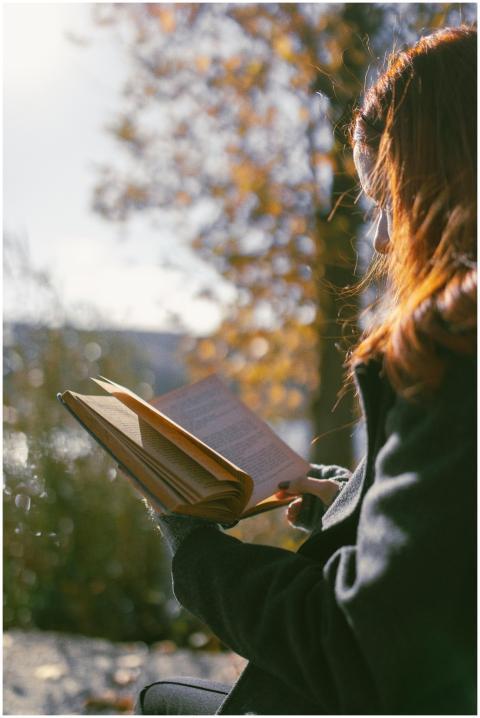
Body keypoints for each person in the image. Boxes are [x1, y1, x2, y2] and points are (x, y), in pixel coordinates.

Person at [136, 25, 476, 715]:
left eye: (388, 199)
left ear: (440, 179)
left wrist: (194, 551)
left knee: (160, 701)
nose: (382, 238)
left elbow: (350, 649)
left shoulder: (455, 356)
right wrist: (356, 501)